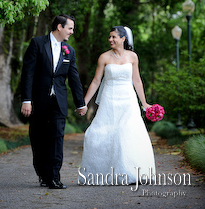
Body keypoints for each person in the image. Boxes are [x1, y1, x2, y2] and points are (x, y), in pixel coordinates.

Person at [78, 26, 156, 186]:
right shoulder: (104, 57)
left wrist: (145, 103)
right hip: (109, 99)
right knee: (102, 133)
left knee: (127, 132)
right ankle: (105, 172)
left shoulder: (133, 57)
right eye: (109, 37)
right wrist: (84, 102)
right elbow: (96, 81)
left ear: (123, 38)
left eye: (114, 37)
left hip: (128, 100)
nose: (110, 40)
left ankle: (130, 172)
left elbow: (137, 81)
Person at [21, 14, 87, 189]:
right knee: (38, 139)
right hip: (38, 101)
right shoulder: (37, 43)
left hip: (59, 102)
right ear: (59, 27)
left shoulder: (69, 51)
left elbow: (74, 79)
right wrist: (26, 100)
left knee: (57, 138)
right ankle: (43, 173)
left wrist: (80, 103)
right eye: (70, 28)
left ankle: (54, 177)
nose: (72, 32)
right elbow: (27, 73)